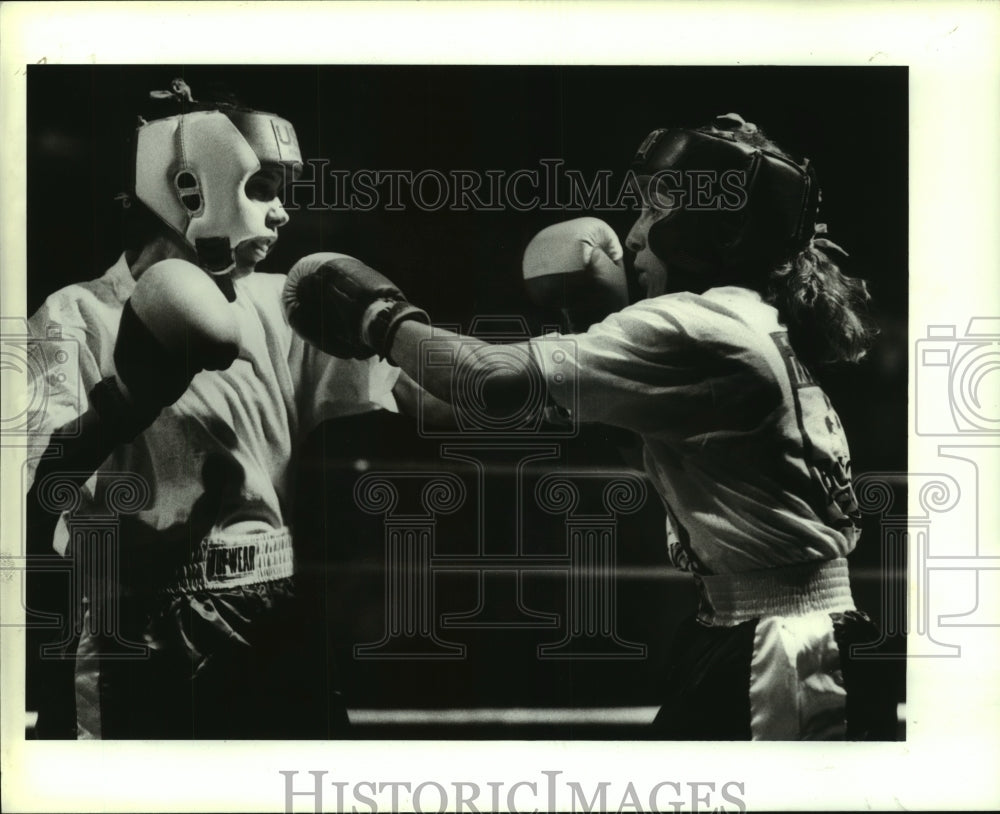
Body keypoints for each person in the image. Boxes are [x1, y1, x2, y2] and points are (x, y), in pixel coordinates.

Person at [280, 112, 897, 740]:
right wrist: (384, 371)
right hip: (763, 628)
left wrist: (380, 317)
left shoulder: (692, 327)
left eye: (654, 213)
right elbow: (465, 407)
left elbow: (490, 380)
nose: (631, 237)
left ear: (709, 227)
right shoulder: (753, 319)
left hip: (784, 647)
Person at [25, 78, 422, 739]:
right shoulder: (78, 316)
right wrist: (125, 402)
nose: (282, 213)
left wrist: (542, 363)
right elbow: (33, 487)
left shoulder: (282, 302)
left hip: (278, 613)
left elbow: (418, 393)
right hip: (149, 621)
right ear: (191, 188)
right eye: (262, 188)